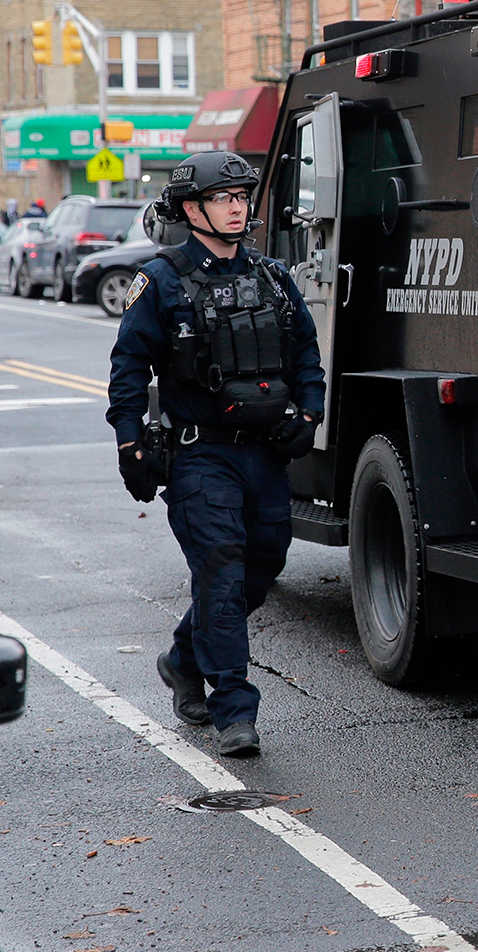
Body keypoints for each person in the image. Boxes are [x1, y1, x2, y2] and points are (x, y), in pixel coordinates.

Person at [105, 152, 323, 758]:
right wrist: (129, 440)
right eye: (224, 197)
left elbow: (306, 351)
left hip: (265, 454)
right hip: (201, 458)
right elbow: (129, 367)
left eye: (242, 196)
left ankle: (182, 658)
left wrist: (309, 414)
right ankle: (234, 710)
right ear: (192, 207)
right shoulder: (163, 279)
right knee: (222, 571)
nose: (237, 206)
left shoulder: (273, 276)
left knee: (261, 568)